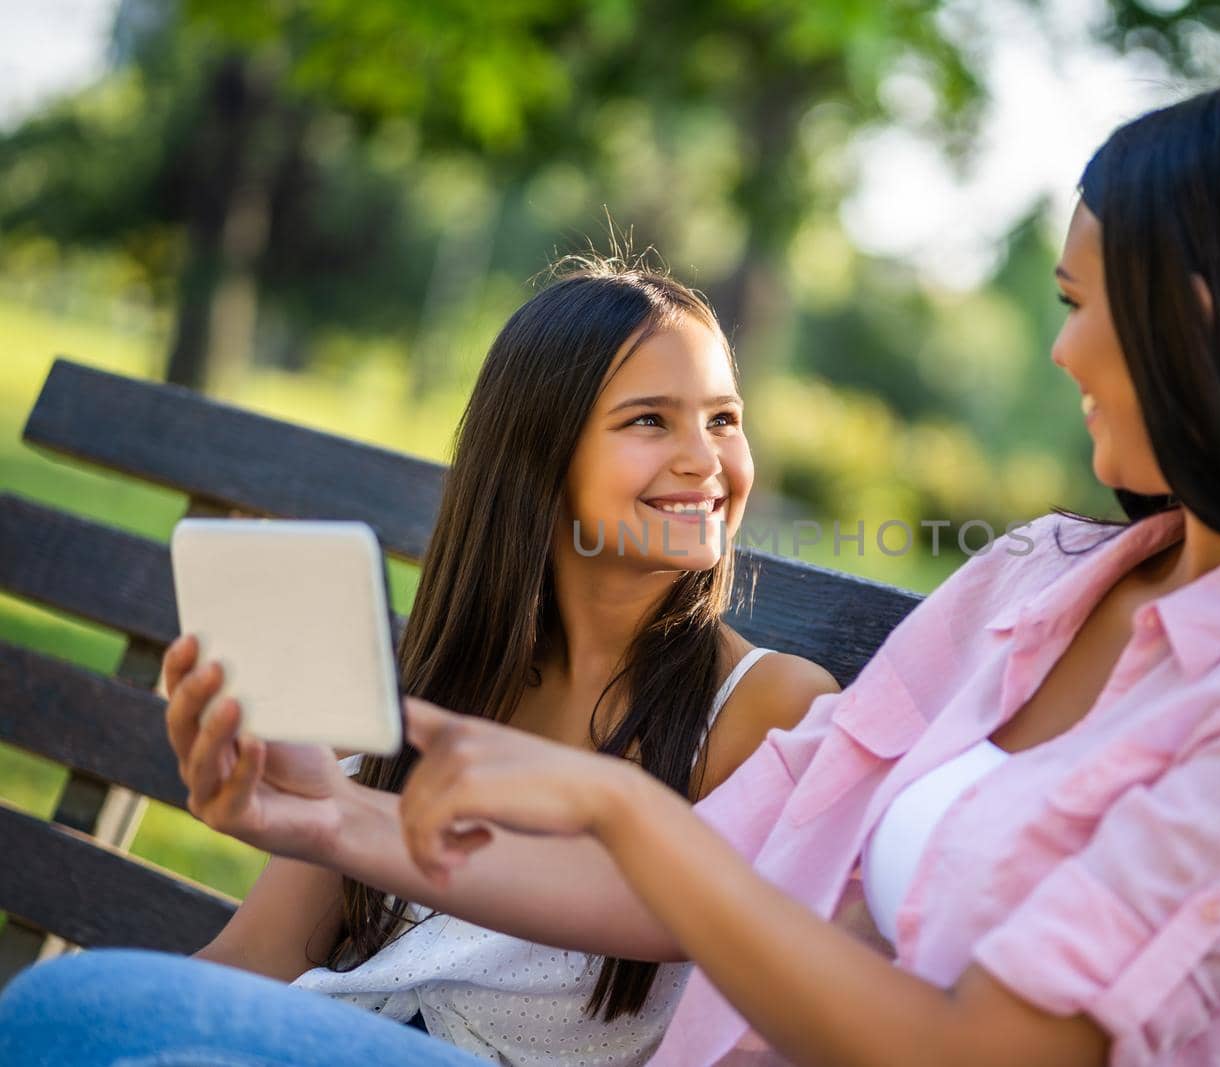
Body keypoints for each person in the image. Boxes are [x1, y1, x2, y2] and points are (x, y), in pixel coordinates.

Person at [0, 79, 1220, 1067]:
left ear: (1201, 316)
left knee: (81, 1013)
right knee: (81, 1012)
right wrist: (321, 810)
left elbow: (987, 1046)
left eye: (1080, 303)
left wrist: (610, 798)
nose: (1056, 351)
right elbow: (710, 884)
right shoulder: (1038, 580)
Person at [0, 255, 837, 1067]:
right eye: (651, 419)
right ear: (540, 454)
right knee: (66, 1012)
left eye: (723, 417)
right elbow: (261, 951)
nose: (704, 457)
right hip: (325, 1032)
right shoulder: (434, 682)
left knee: (62, 1005)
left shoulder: (765, 708)